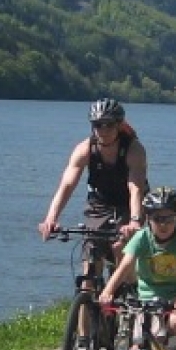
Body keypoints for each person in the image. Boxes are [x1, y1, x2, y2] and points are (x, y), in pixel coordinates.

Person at [98, 186, 176, 350]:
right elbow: (126, 265)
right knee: (138, 348)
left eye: (169, 219)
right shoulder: (142, 238)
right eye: (157, 219)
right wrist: (108, 290)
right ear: (148, 219)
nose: (163, 225)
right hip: (149, 295)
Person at [36, 96, 149, 283]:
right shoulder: (84, 149)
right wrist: (51, 219)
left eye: (109, 124)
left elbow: (135, 188)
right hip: (100, 203)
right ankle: (88, 304)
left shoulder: (134, 149)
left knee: (120, 245)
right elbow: (67, 185)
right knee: (90, 260)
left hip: (129, 203)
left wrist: (135, 221)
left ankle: (128, 288)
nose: (103, 130)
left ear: (119, 125)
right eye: (98, 125)